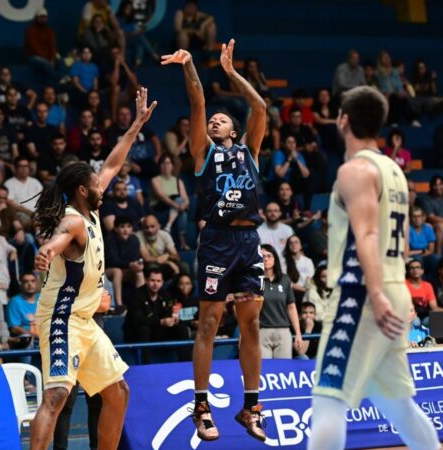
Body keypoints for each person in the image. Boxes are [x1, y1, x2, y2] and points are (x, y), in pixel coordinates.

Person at [308, 86, 440, 450]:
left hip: (362, 294)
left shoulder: (356, 170)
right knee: (398, 406)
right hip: (392, 288)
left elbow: (366, 233)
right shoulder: (394, 170)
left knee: (328, 402)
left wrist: (376, 294)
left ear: (343, 120)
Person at [27, 86, 155, 450]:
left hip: (85, 321)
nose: (104, 183)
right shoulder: (74, 221)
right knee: (55, 397)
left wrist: (136, 125)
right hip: (61, 319)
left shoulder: (92, 209)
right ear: (84, 190)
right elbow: (60, 237)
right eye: (96, 183)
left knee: (118, 393)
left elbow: (114, 160)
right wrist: (47, 251)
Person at [162, 41, 268, 441]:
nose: (214, 122)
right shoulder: (203, 152)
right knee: (209, 322)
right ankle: (201, 407)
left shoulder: (250, 151)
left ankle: (251, 407)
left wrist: (231, 72)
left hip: (249, 242)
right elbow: (197, 102)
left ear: (235, 130)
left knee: (252, 323)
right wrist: (189, 66)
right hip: (218, 242)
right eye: (213, 120)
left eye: (222, 120)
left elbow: (260, 107)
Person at [259, 244, 302, 359]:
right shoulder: (254, 280)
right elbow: (248, 310)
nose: (266, 259)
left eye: (269, 255)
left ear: (275, 259)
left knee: (283, 370)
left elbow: (292, 308)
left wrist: (298, 333)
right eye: (262, 256)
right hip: (261, 331)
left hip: (283, 331)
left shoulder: (285, 280)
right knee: (264, 372)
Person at [150, 154, 189, 247]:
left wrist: (184, 206)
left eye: (168, 163)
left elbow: (186, 199)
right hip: (160, 208)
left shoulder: (178, 181)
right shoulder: (155, 180)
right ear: (160, 166)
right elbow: (162, 197)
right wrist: (177, 206)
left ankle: (169, 226)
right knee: (179, 202)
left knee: (183, 211)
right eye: (163, 163)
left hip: (175, 209)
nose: (166, 165)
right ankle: (182, 242)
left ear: (172, 165)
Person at [25, 9, 62, 80]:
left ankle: (64, 77)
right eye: (41, 17)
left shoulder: (49, 31)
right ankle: (59, 79)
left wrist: (52, 59)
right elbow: (34, 47)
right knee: (44, 63)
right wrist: (47, 60)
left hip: (47, 58)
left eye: (44, 17)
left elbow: (52, 46)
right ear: (36, 18)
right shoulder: (30, 30)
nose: (43, 19)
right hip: (33, 57)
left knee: (61, 62)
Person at [257, 202, 294, 266]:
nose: (273, 213)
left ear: (280, 213)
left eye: (276, 211)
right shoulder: (258, 231)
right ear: (265, 213)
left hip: (285, 264)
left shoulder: (288, 230)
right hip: (266, 264)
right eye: (269, 211)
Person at [7, 272, 40, 341]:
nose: (30, 284)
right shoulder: (14, 302)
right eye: (26, 282)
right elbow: (14, 329)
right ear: (21, 285)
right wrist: (36, 336)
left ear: (37, 283)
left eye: (33, 281)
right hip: (28, 341)